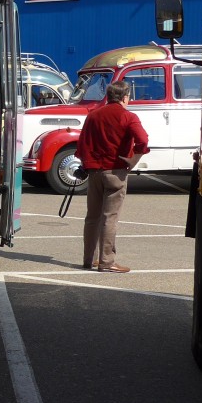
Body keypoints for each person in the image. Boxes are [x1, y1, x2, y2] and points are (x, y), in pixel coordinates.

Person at [75, 80, 149, 272]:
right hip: (116, 171)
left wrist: (86, 164)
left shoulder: (93, 116)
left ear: (108, 96)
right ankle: (107, 261)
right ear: (125, 97)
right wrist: (132, 158)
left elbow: (82, 144)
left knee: (92, 217)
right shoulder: (128, 116)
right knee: (110, 218)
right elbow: (143, 139)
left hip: (95, 172)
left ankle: (88, 259)